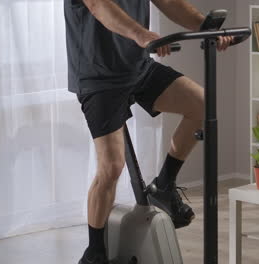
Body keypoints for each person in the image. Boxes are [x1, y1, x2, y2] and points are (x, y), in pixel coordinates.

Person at [64, 0, 233, 263]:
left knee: (201, 103)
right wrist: (140, 33)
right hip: (98, 76)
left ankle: (164, 185)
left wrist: (205, 26)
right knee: (111, 167)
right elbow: (99, 6)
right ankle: (94, 252)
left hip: (138, 67)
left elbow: (167, 1)